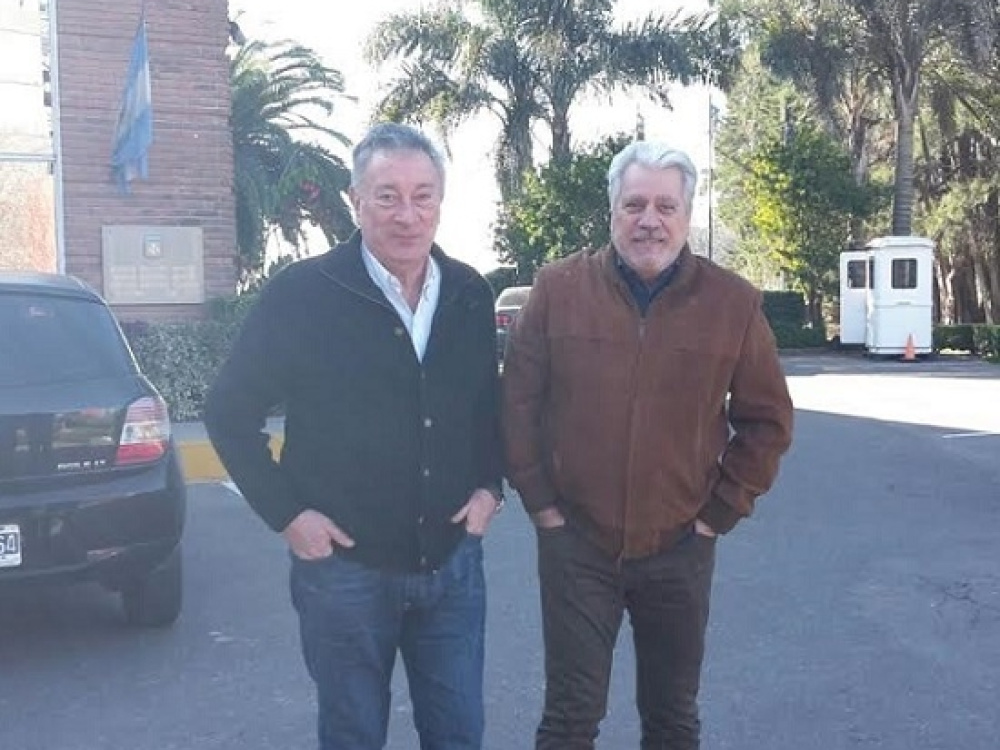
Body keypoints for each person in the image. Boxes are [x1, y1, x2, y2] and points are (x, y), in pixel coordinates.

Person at [205, 122, 503, 750]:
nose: (407, 214)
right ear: (356, 200)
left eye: (422, 196)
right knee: (353, 735)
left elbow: (486, 407)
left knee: (459, 733)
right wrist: (289, 516)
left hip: (451, 567)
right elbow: (229, 412)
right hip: (344, 574)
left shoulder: (469, 294)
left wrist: (489, 488)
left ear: (440, 202)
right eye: (387, 196)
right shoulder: (303, 295)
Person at [501, 140, 794, 750]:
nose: (649, 221)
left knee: (672, 720)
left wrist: (717, 515)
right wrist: (542, 506)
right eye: (634, 205)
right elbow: (518, 403)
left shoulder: (733, 304)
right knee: (569, 720)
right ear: (612, 212)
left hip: (680, 547)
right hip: (577, 546)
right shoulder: (558, 289)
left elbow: (767, 421)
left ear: (687, 216)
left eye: (666, 206)